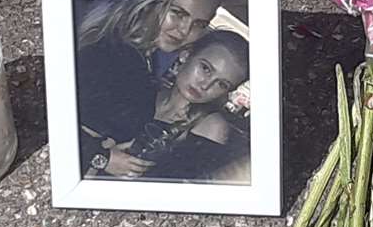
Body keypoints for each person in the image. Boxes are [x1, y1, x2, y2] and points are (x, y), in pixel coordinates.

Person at [79, 30, 251, 183]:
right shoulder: (143, 89)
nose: (205, 85)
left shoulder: (211, 127)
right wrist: (101, 153)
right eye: (205, 68)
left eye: (221, 84)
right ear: (186, 55)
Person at [77, 0, 221, 80]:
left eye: (199, 24)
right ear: (150, 1)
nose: (185, 30)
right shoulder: (115, 58)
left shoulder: (143, 59)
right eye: (178, 13)